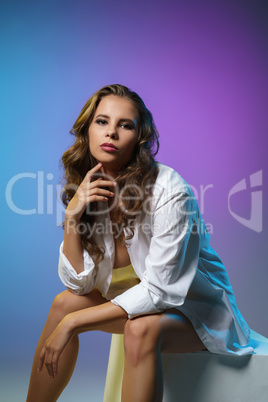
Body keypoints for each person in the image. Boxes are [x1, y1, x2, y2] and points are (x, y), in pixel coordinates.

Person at [27, 84, 253, 402]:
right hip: (144, 305)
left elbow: (162, 292)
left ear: (139, 138)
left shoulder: (170, 191)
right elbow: (78, 284)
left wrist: (72, 323)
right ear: (86, 130)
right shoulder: (91, 188)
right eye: (102, 121)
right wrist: (73, 219)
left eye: (125, 125)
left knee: (139, 329)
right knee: (63, 303)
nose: (112, 133)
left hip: (193, 311)